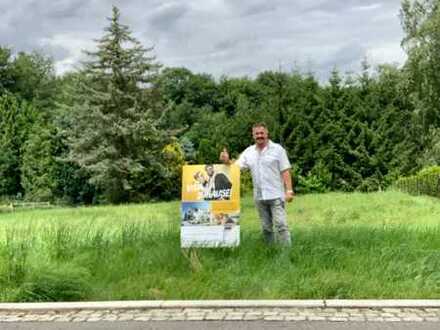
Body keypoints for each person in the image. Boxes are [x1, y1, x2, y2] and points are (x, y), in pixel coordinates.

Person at [220, 123, 294, 245]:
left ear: (267, 133)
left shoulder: (278, 150)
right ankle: (270, 250)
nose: (259, 136)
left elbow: (285, 170)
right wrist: (227, 161)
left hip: (276, 195)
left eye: (262, 133)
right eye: (257, 133)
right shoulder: (249, 152)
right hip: (259, 197)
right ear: (253, 135)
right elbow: (236, 167)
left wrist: (289, 190)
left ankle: (286, 252)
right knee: (266, 228)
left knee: (281, 225)